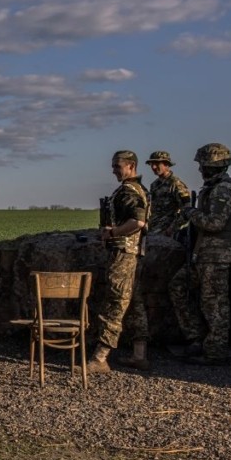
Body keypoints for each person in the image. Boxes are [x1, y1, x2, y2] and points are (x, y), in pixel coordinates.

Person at [168, 143, 231, 365]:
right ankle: (196, 337)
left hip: (216, 255)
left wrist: (190, 212)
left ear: (213, 165)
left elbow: (215, 223)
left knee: (214, 304)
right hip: (202, 253)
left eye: (203, 165)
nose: (201, 170)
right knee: (178, 287)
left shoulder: (223, 189)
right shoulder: (212, 187)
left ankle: (215, 351)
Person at [89, 151, 151, 374]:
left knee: (115, 302)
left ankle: (100, 357)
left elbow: (138, 221)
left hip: (124, 252)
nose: (114, 170)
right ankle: (139, 354)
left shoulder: (128, 191)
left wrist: (113, 231)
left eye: (118, 166)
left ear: (131, 166)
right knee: (135, 304)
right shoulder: (141, 189)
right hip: (135, 252)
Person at [145, 151, 191, 237]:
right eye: (152, 164)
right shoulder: (154, 185)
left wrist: (171, 228)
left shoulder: (176, 184)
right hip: (154, 230)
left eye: (157, 164)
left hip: (169, 233)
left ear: (166, 165)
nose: (153, 167)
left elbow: (186, 209)